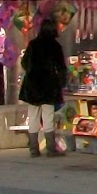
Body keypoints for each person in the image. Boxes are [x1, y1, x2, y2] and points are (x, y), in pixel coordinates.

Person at [20, 19, 68, 158]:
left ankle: (34, 149)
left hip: (32, 83)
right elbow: (61, 67)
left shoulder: (33, 44)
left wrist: (31, 71)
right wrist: (62, 83)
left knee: (33, 116)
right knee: (48, 116)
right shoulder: (55, 46)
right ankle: (51, 149)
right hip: (49, 84)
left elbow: (24, 62)